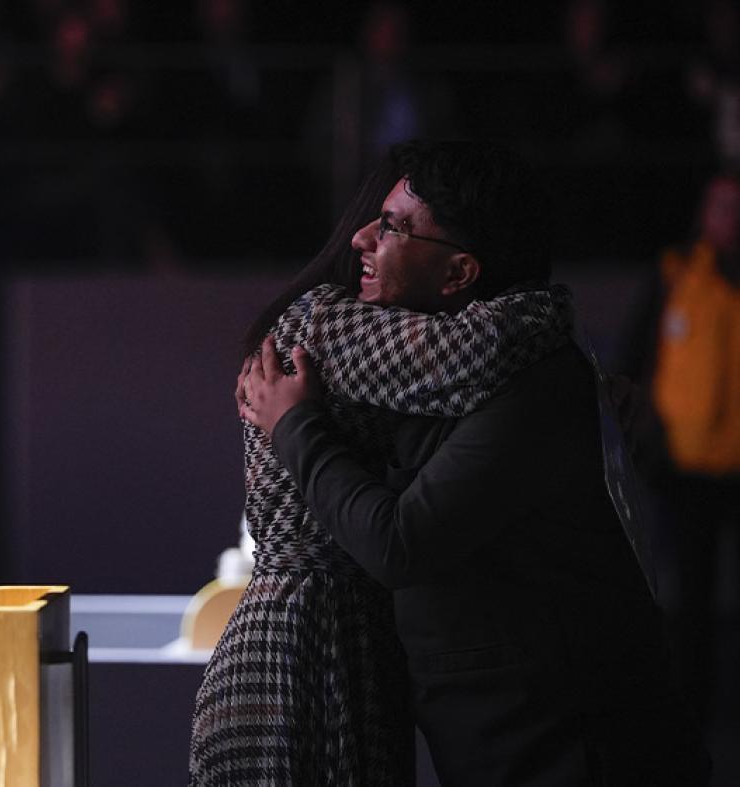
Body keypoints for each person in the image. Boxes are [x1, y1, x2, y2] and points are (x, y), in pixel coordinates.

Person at [238, 140, 708, 785]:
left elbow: (399, 544)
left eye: (396, 226)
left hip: (578, 748)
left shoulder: (533, 384)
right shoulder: (447, 376)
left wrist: (295, 426)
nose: (362, 240)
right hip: (516, 736)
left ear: (460, 273)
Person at [189, 146, 574, 785]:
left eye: (394, 226)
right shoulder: (329, 325)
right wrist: (554, 312)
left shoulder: (355, 321)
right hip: (301, 641)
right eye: (384, 219)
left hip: (338, 633)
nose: (372, 237)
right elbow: (485, 349)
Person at [621, 171, 740, 725]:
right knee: (687, 597)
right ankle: (690, 707)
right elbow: (632, 360)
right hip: (685, 467)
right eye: (721, 207)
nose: (730, 219)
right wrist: (645, 438)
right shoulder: (674, 274)